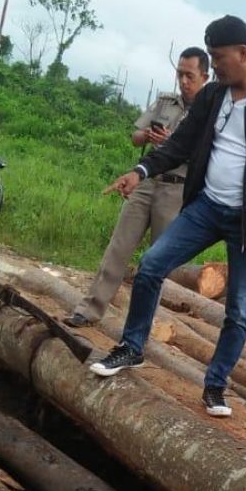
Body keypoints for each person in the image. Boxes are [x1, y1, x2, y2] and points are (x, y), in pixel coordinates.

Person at [89, 15, 246, 420]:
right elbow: (182, 143)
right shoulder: (213, 96)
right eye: (211, 58)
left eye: (218, 58)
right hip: (206, 207)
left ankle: (216, 386)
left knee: (238, 311)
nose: (214, 66)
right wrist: (141, 171)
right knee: (151, 266)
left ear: (243, 53)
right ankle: (132, 348)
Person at [64, 47, 211, 328]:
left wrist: (174, 143)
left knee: (157, 263)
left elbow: (207, 156)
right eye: (180, 74)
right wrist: (149, 136)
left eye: (189, 76)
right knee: (119, 247)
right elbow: (135, 137)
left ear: (205, 76)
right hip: (146, 183)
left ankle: (139, 327)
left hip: (176, 190)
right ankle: (89, 309)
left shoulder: (210, 114)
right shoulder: (166, 102)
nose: (183, 81)